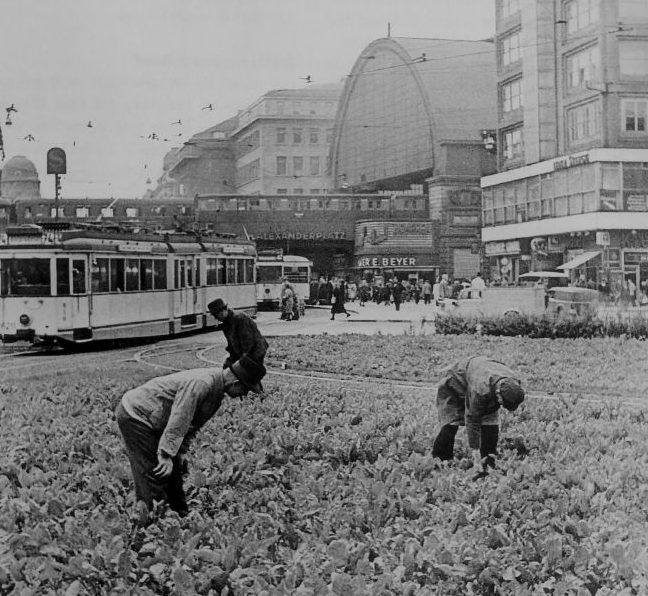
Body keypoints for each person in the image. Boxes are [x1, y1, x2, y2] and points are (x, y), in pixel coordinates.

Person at [115, 355, 266, 519]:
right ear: (236, 383)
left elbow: (190, 425)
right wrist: (166, 454)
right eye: (245, 390)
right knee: (153, 474)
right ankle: (151, 524)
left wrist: (179, 453)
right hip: (137, 415)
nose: (243, 395)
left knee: (173, 472)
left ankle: (179, 518)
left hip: (157, 419)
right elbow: (180, 417)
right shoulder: (203, 383)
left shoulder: (217, 391)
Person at [432, 356, 525, 479]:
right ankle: (440, 461)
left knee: (490, 422)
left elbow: (492, 416)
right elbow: (472, 419)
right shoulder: (480, 389)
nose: (502, 406)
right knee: (451, 422)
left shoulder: (513, 382)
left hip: (482, 376)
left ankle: (488, 462)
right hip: (455, 382)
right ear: (498, 394)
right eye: (502, 403)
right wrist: (475, 455)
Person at [208, 298, 268, 368]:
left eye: (216, 315)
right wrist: (230, 361)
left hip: (255, 351)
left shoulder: (239, 318)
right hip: (244, 353)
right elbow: (232, 345)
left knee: (248, 374)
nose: (216, 318)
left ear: (222, 311)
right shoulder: (225, 324)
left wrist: (242, 362)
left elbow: (247, 342)